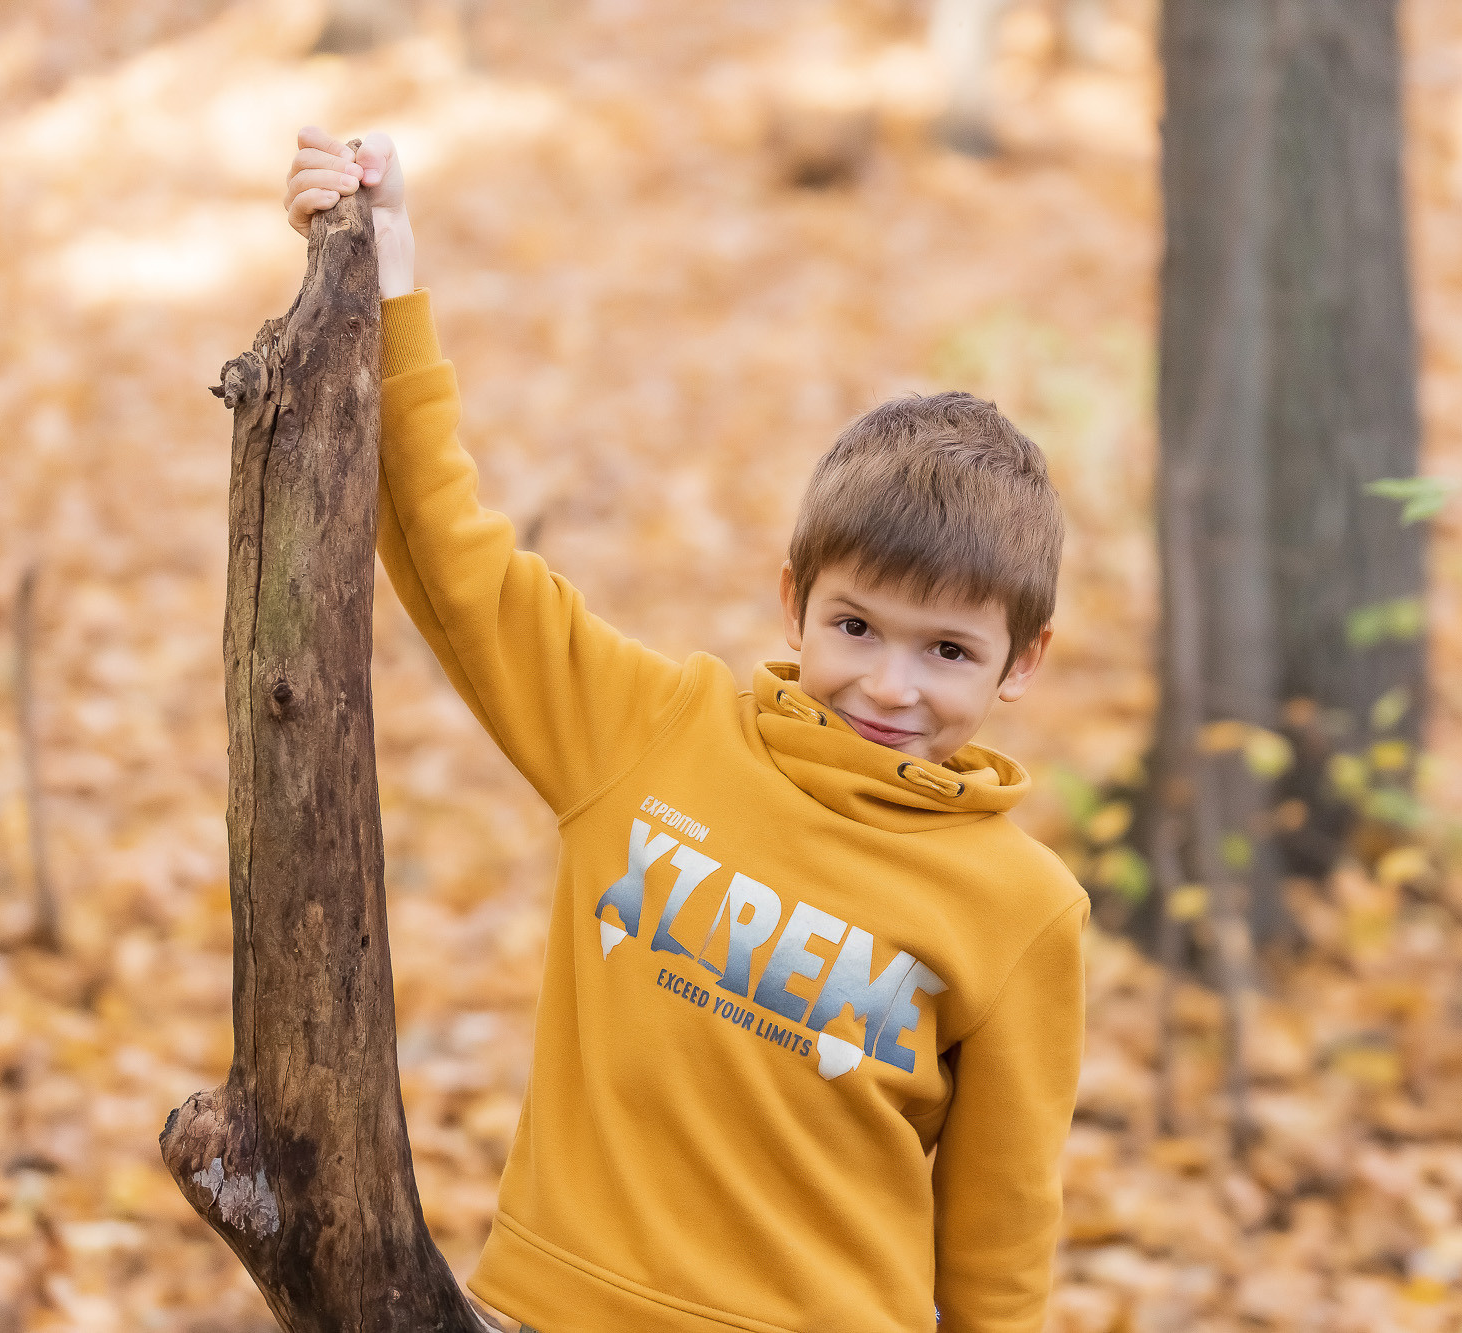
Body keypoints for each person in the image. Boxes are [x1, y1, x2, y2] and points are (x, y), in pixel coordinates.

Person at [283, 125, 1089, 1333]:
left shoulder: (1022, 911)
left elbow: (998, 1246)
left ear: (1020, 664)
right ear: (793, 602)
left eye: (948, 652)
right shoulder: (653, 732)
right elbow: (452, 560)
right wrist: (384, 265)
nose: (888, 686)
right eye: (856, 627)